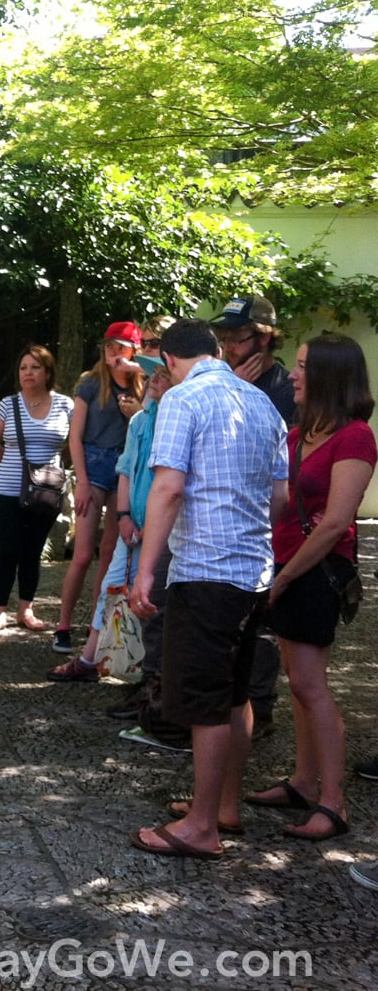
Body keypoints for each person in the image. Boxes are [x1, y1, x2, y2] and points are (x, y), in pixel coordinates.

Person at [128, 319, 287, 860]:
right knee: (237, 694)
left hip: (205, 570)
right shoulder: (262, 402)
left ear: (170, 360)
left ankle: (201, 828)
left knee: (203, 703)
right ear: (217, 350)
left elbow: (168, 488)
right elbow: (280, 497)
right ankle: (224, 805)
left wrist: (145, 570)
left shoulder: (181, 399)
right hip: (253, 571)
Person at [245, 334, 375, 840]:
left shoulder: (355, 437)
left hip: (314, 573)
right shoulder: (299, 436)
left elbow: (334, 523)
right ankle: (302, 782)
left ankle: (334, 802)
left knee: (309, 684)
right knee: (295, 679)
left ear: (329, 376)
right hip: (282, 567)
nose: (293, 375)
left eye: (302, 367)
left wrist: (283, 578)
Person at [49, 357, 172, 682]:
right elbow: (126, 471)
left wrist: (154, 522)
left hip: (163, 528)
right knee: (110, 586)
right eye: (153, 373)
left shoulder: (177, 421)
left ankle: (146, 673)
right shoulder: (141, 421)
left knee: (152, 598)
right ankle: (91, 660)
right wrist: (124, 516)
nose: (155, 379)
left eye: (163, 374)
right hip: (132, 523)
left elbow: (173, 480)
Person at [212, 296, 297, 740]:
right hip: (226, 517)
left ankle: (258, 708)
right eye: (223, 337)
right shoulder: (226, 377)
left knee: (260, 622)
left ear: (264, 338)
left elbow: (274, 461)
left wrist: (241, 397)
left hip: (268, 520)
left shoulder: (283, 389)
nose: (228, 346)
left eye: (237, 337)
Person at [52, 321, 146, 654]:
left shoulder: (142, 385)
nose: (113, 353)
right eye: (109, 346)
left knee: (109, 554)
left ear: (134, 350)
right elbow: (74, 436)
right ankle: (63, 626)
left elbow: (146, 429)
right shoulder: (91, 383)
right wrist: (81, 482)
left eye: (121, 347)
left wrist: (136, 410)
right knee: (81, 555)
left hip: (124, 468)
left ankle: (99, 627)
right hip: (92, 464)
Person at [0, 345, 75, 635]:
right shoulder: (7, 405)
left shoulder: (65, 405)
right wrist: (20, 469)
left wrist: (51, 469)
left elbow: (74, 443)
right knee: (8, 550)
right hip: (8, 489)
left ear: (48, 372)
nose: (28, 373)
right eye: (23, 368)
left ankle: (26, 609)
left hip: (46, 490)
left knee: (32, 551)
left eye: (35, 367)